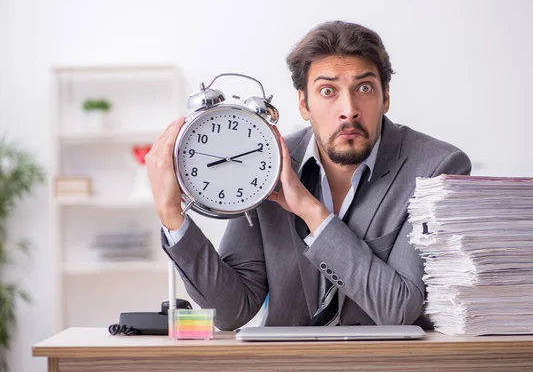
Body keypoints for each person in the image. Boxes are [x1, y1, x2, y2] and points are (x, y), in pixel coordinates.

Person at [145, 20, 472, 331]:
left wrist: (311, 212)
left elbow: (399, 309)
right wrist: (172, 215)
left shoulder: (437, 171)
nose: (349, 109)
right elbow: (231, 311)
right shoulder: (267, 161)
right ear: (303, 103)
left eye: (365, 87)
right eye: (328, 91)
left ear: (386, 97)